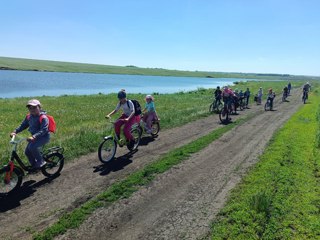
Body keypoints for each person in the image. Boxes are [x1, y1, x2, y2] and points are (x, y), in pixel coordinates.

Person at [10, 99, 49, 171]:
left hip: (43, 137)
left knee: (32, 148)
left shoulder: (43, 118)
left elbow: (44, 130)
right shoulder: (29, 117)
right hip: (34, 137)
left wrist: (34, 136)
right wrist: (15, 131)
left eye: (34, 107)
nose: (32, 109)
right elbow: (23, 125)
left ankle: (41, 161)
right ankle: (34, 166)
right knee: (27, 152)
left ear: (39, 107)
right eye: (30, 108)